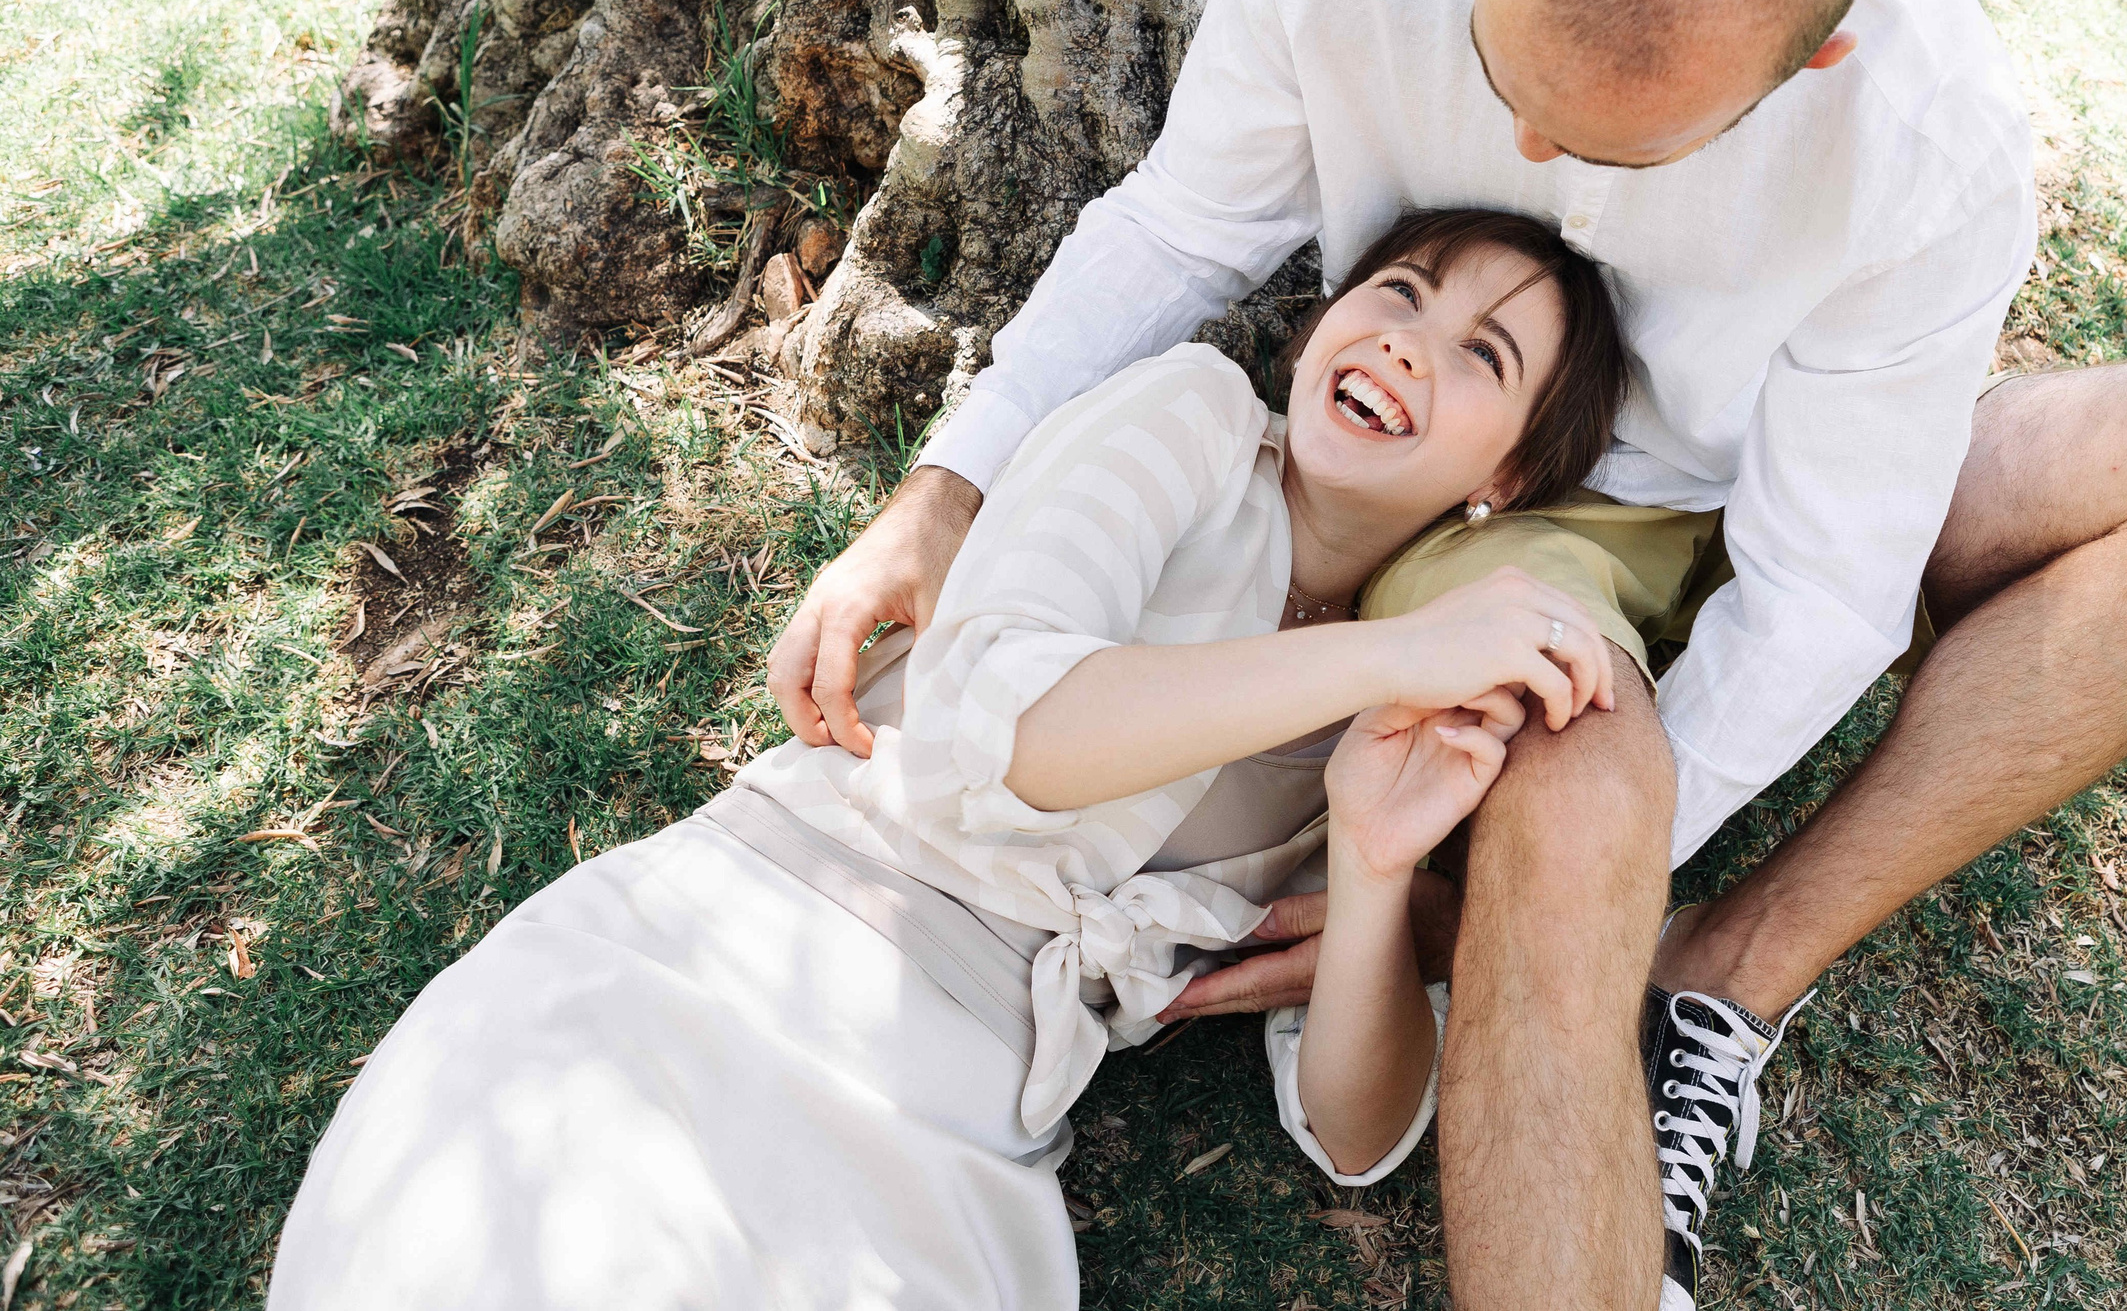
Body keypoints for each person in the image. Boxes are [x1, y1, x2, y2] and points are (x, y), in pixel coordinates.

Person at [766, 0, 2127, 1310]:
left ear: (1813, 63)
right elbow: (1188, 223)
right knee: (1586, 770)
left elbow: (1823, 588)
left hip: (1794, 473)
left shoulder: (1925, 139)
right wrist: (948, 484)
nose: (1527, 149)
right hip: (1501, 493)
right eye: (1499, 73)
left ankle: (1724, 975)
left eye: (1604, 142)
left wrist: (1527, 896)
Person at [269, 209, 1635, 1309]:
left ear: (1503, 484)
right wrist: (1386, 664)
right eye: (1400, 289)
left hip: (953, 1133)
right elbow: (1005, 719)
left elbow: (1354, 1133)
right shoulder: (1199, 424)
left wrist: (1381, 869)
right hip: (730, 953)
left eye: (1481, 354)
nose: (1407, 341)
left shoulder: (1393, 706)